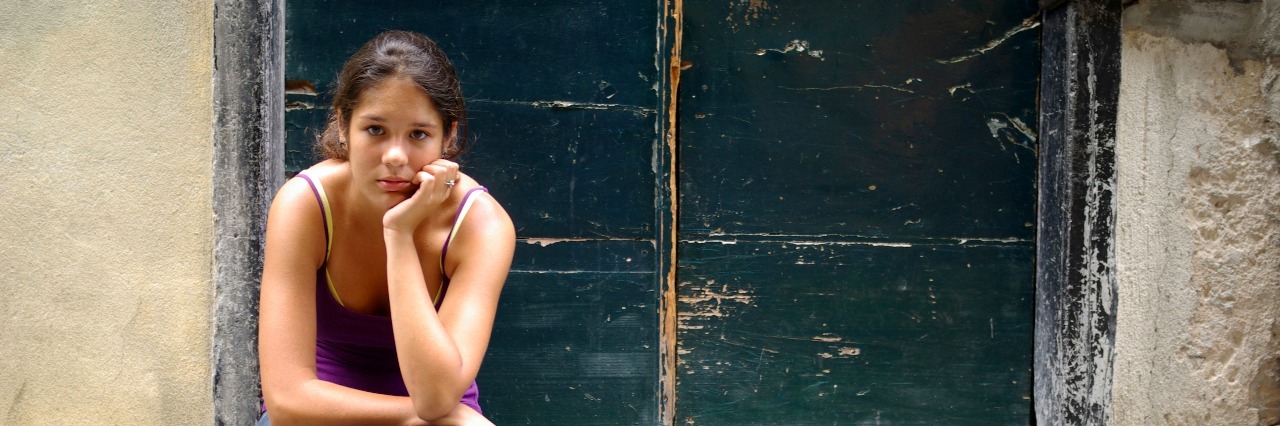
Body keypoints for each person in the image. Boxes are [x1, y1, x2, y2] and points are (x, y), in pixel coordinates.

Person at [258, 30, 514, 425]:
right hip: (325, 415)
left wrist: (399, 235)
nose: (396, 156)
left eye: (419, 134)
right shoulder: (305, 205)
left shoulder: (481, 226)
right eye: (375, 130)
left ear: (449, 135)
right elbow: (287, 400)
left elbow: (434, 397)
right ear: (343, 125)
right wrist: (421, 419)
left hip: (437, 406)